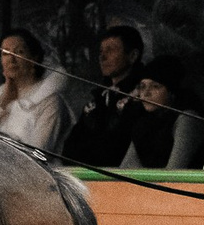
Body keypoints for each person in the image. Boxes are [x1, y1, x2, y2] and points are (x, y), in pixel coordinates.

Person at [61, 23, 152, 165]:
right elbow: (70, 147)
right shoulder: (99, 96)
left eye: (111, 50)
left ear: (133, 56)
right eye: (101, 51)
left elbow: (121, 145)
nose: (102, 57)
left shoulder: (144, 95)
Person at [0, 27, 71, 149]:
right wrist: (4, 101)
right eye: (5, 53)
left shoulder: (50, 101)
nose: (11, 59)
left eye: (19, 52)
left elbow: (39, 152)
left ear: (34, 58)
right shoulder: (1, 96)